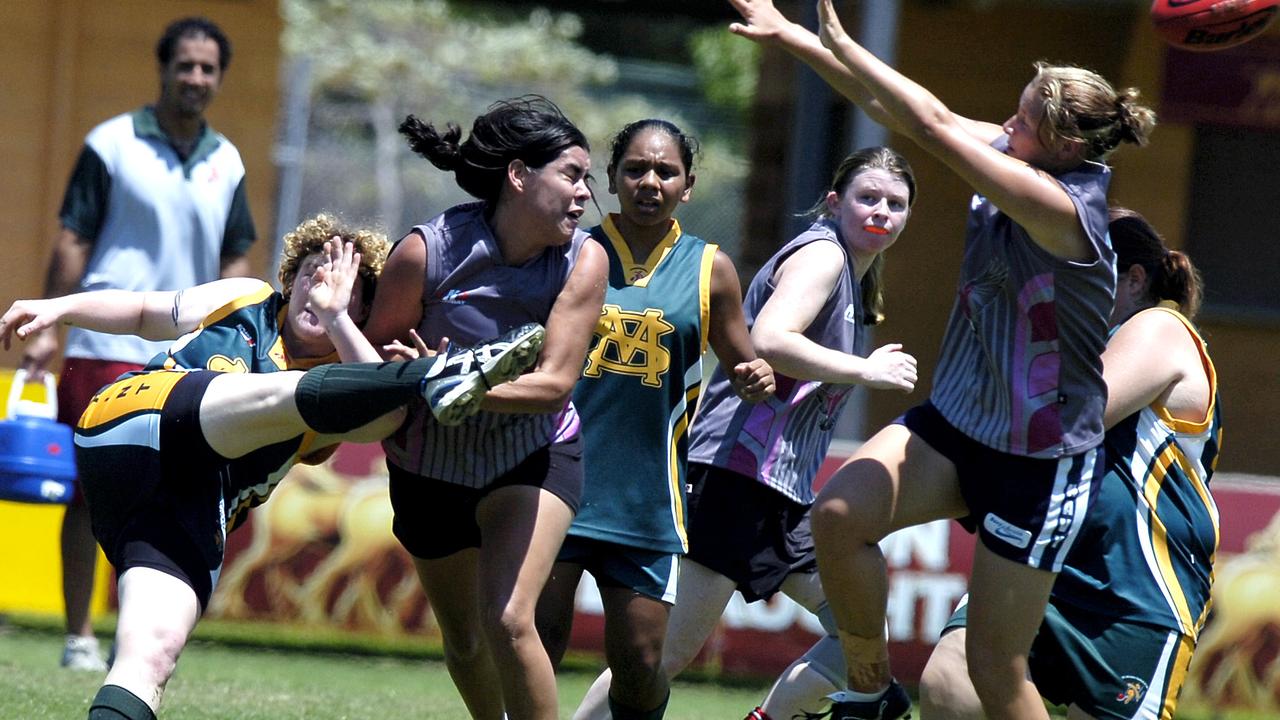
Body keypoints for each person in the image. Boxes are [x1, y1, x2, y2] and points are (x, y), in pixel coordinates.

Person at [725, 2, 1157, 718]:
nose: (1005, 126)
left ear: (1062, 148)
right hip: (959, 426)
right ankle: (869, 691)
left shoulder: (1060, 206)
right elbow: (907, 112)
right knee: (837, 515)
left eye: (1020, 121)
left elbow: (925, 124)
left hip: (1038, 461)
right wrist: (796, 37)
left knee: (994, 666)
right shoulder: (1022, 154)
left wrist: (844, 41)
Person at [1, 214, 543, 720]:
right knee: (265, 394)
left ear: (362, 311)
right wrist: (60, 308)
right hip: (134, 422)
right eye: (313, 273)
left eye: (345, 289)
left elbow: (383, 422)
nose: (322, 290)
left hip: (188, 510)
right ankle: (438, 375)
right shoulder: (248, 297)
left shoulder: (338, 391)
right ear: (292, 276)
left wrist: (336, 323)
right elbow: (146, 311)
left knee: (153, 653)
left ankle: (429, 377)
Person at [572, 145, 921, 720]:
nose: (881, 211)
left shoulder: (856, 277)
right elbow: (771, 340)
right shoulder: (823, 257)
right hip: (734, 478)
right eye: (868, 198)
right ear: (835, 202)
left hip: (779, 492)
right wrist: (866, 369)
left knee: (860, 631)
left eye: (896, 203)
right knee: (658, 659)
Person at [19, 16, 257, 671]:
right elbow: (73, 240)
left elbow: (237, 258)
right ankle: (78, 636)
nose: (197, 79)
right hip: (101, 345)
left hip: (186, 357)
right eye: (186, 65)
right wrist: (48, 329)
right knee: (91, 493)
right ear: (163, 69)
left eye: (209, 69)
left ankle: (140, 635)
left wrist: (231, 332)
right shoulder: (112, 143)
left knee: (168, 496)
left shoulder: (228, 160)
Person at [358, 96, 608, 720]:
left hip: (535, 453)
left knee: (509, 619)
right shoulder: (426, 252)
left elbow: (554, 383)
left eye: (587, 180)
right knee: (466, 640)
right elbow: (374, 367)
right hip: (427, 467)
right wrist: (409, 373)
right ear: (519, 176)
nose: (584, 196)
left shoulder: (586, 259)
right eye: (571, 176)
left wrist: (462, 384)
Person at [917, 208, 1220, 720]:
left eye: (1074, 267)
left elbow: (1072, 418)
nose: (1052, 282)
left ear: (1133, 279)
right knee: (950, 681)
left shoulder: (1159, 325)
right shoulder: (1062, 348)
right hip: (1040, 564)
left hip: (1134, 593)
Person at [531, 118, 775, 720]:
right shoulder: (568, 253)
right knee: (536, 642)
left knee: (640, 666)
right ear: (611, 180)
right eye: (635, 169)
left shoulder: (710, 269)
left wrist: (756, 377)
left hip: (648, 497)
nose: (650, 181)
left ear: (687, 185)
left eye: (665, 171)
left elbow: (746, 362)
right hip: (555, 477)